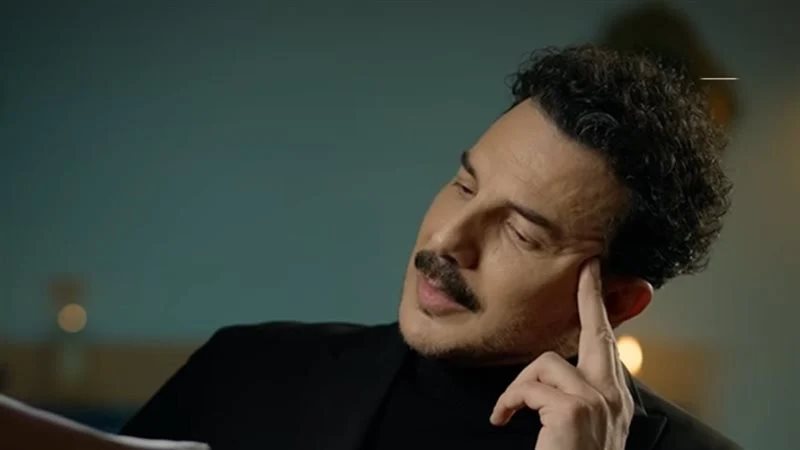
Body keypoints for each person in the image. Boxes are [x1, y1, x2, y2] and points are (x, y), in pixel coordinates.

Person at [120, 45, 740, 449]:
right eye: (464, 185)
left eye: (520, 233)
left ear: (617, 302)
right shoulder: (242, 372)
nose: (447, 240)